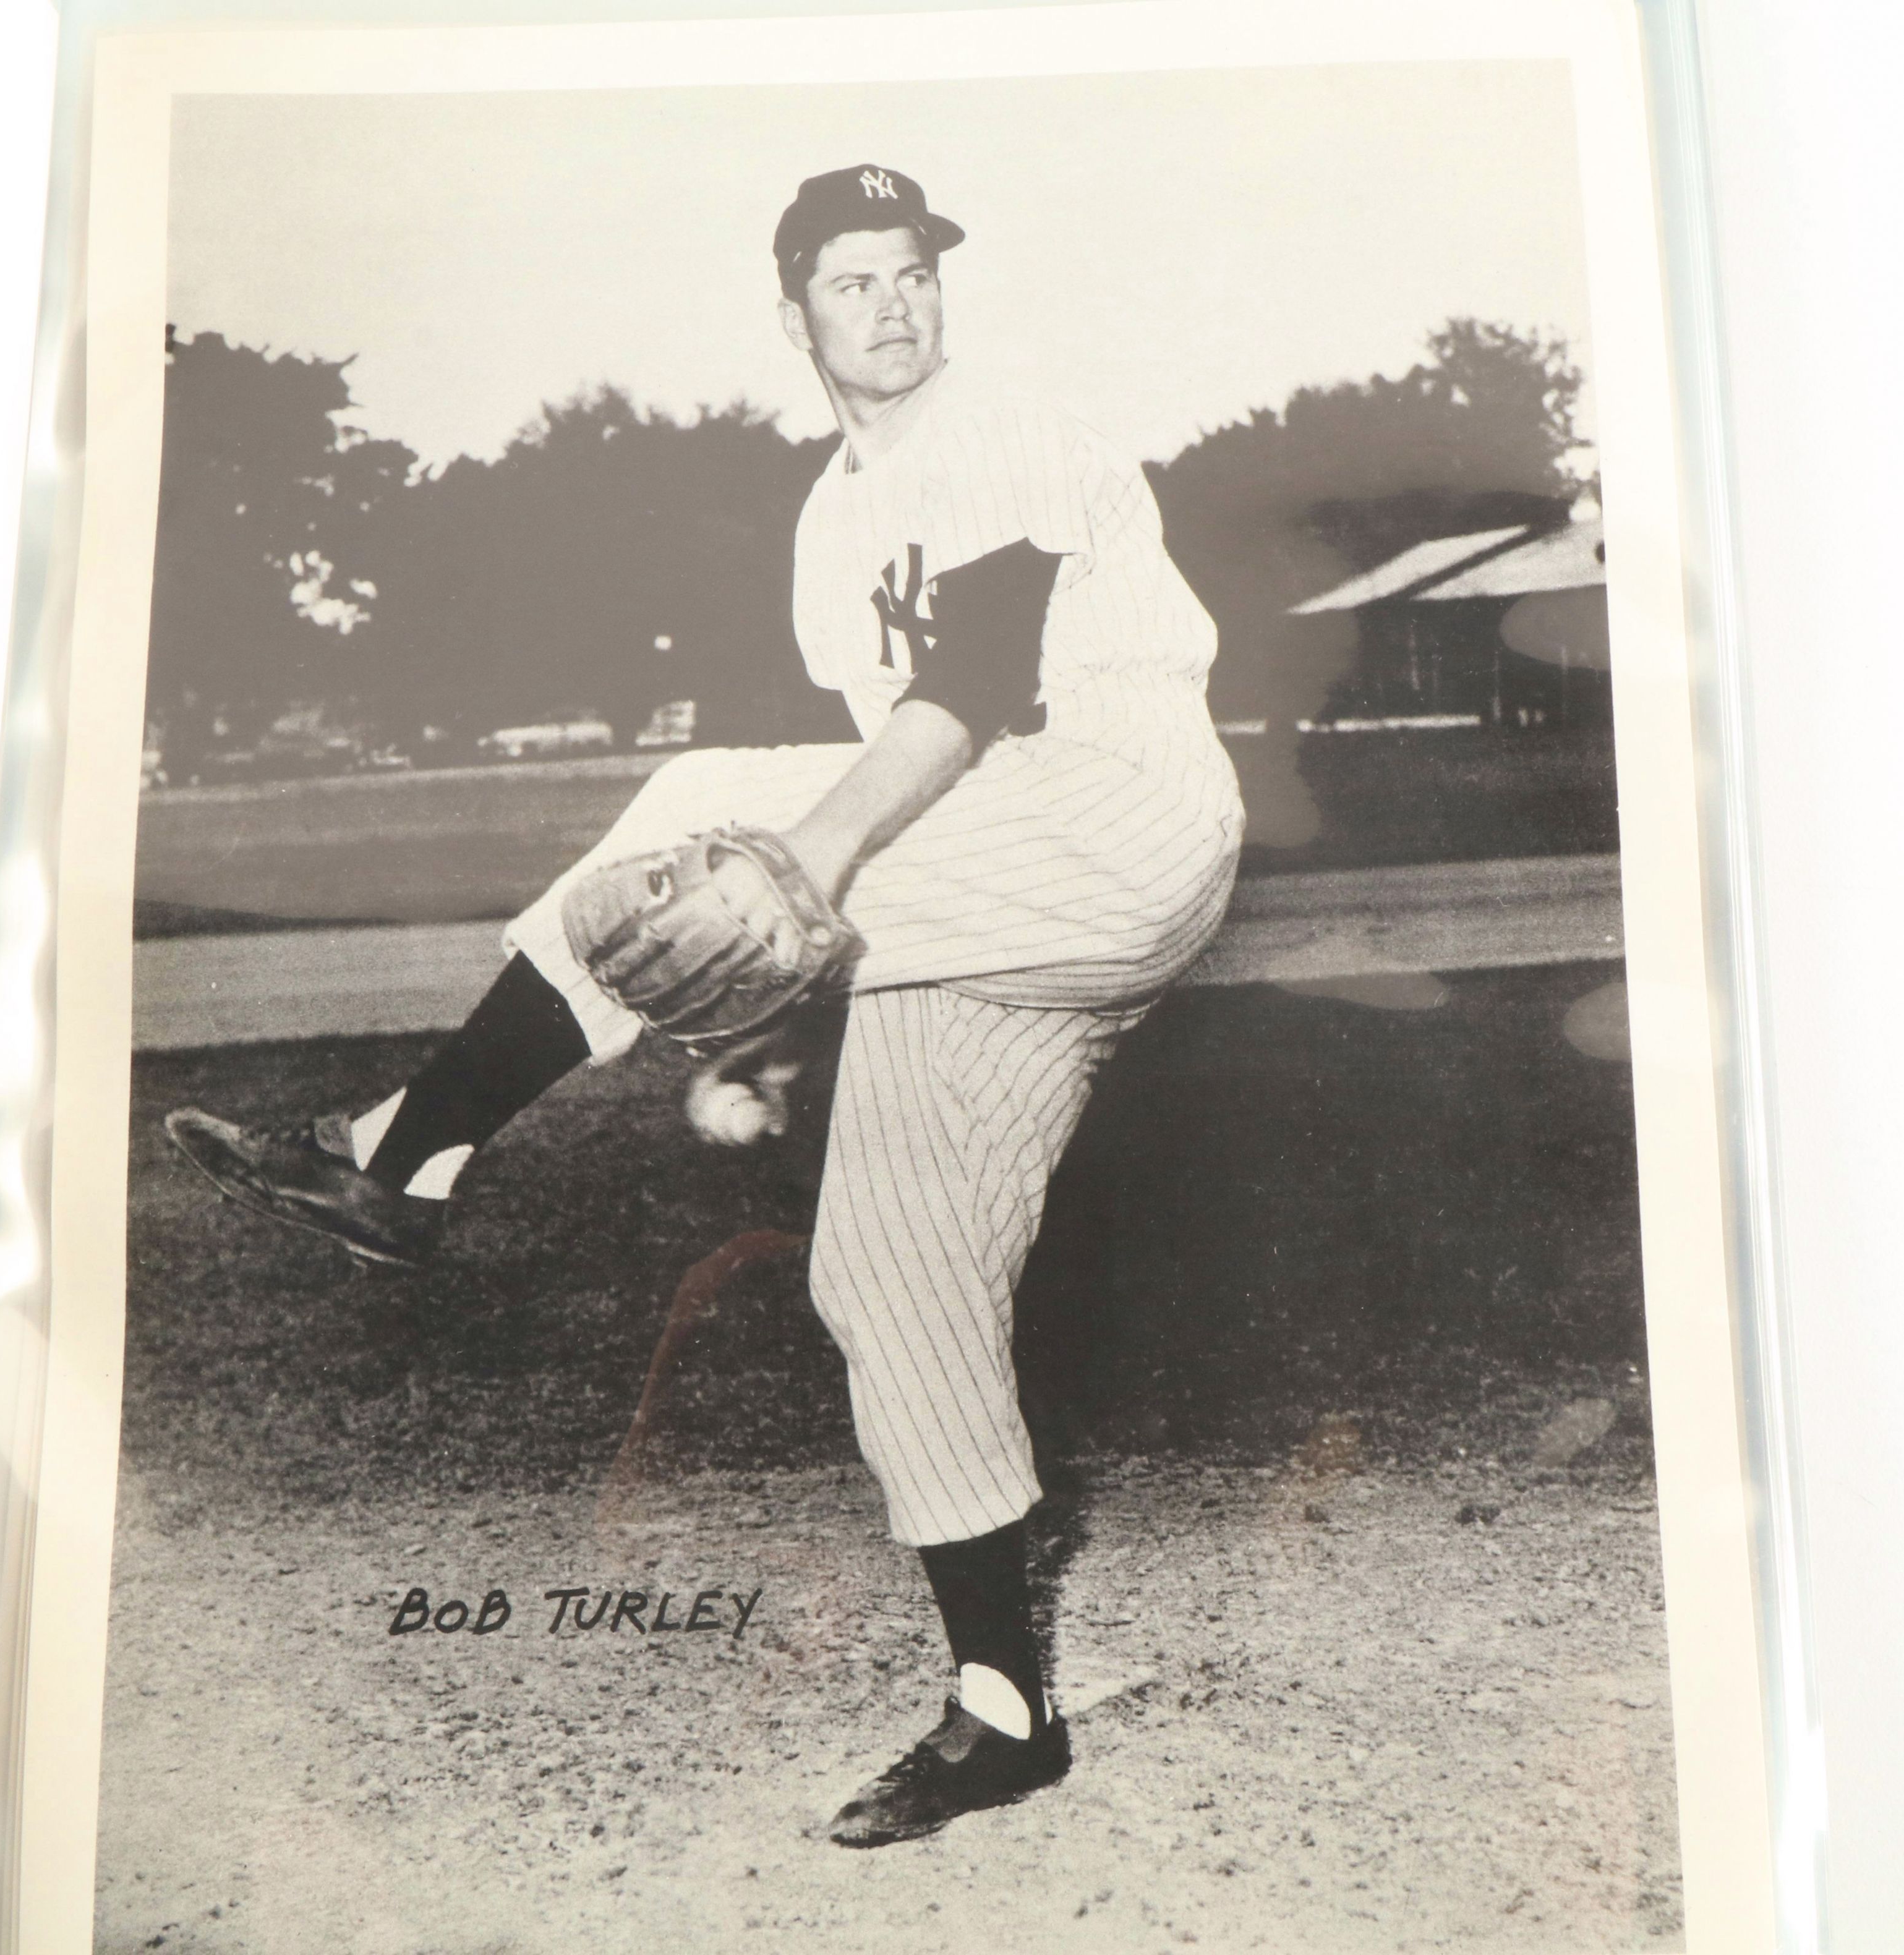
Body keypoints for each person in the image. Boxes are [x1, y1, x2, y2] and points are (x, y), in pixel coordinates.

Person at [165, 164, 1244, 1847]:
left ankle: (411, 1151)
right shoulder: (828, 524)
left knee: (696, 807)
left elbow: (966, 691)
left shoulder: (1012, 428)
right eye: (850, 278)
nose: (891, 301)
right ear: (795, 309)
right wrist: (773, 1011)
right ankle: (999, 1704)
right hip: (985, 891)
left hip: (1116, 814)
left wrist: (795, 874)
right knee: (885, 1271)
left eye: (912, 272)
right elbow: (884, 809)